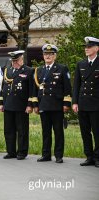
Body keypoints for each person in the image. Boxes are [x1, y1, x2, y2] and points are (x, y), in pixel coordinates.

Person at [32, 44, 72, 164]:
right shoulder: (39, 70)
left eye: (50, 54)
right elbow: (36, 89)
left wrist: (66, 104)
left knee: (58, 131)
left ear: (55, 56)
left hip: (57, 105)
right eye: (45, 54)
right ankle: (46, 154)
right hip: (44, 104)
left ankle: (58, 155)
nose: (47, 56)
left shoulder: (62, 68)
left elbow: (67, 88)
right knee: (46, 131)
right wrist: (35, 105)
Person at [0, 50, 33, 160]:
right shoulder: (7, 70)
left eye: (16, 61)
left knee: (22, 130)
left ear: (21, 60)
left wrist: (29, 105)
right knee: (9, 130)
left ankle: (22, 152)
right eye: (13, 61)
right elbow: (3, 88)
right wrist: (1, 103)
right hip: (8, 104)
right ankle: (11, 151)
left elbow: (31, 90)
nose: (14, 63)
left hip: (21, 105)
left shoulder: (28, 71)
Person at [72, 36, 99, 167]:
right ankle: (89, 156)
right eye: (86, 47)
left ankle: (98, 157)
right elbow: (76, 85)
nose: (86, 49)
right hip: (83, 103)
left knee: (97, 132)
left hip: (96, 104)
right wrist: (75, 102)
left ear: (96, 48)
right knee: (85, 132)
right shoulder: (81, 64)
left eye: (89, 47)